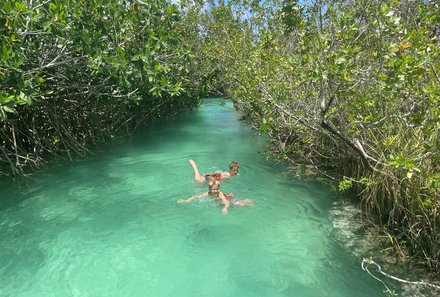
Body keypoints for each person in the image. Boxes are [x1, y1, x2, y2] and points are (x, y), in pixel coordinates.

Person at [177, 178, 252, 214]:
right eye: (214, 189)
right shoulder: (207, 193)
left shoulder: (220, 194)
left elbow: (226, 202)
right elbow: (195, 197)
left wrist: (225, 208)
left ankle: (247, 201)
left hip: (228, 199)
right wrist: (186, 201)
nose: (216, 191)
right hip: (221, 200)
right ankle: (247, 201)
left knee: (239, 204)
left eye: (217, 189)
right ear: (209, 190)